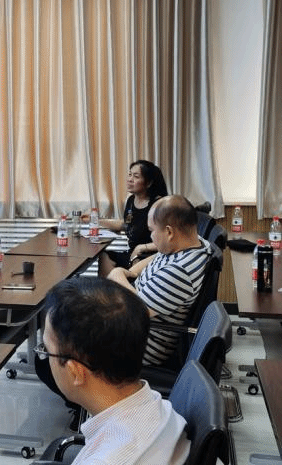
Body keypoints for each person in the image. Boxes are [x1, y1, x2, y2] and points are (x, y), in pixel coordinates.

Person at [38, 277, 190, 464]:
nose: (45, 356)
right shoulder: (158, 405)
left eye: (46, 350)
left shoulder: (105, 460)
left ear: (75, 371)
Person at [107, 194, 212, 366]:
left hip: (136, 345)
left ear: (169, 232)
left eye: (152, 231)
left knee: (70, 334)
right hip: (130, 322)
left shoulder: (179, 272)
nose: (151, 238)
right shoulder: (193, 243)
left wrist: (117, 274)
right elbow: (157, 257)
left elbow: (137, 311)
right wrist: (129, 272)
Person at [86, 160, 168, 276]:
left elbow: (168, 239)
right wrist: (96, 221)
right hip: (132, 253)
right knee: (104, 255)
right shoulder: (131, 200)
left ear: (148, 183)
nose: (130, 179)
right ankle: (108, 286)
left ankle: (119, 285)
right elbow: (126, 224)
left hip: (150, 255)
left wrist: (142, 247)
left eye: (136, 176)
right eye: (130, 174)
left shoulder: (159, 205)